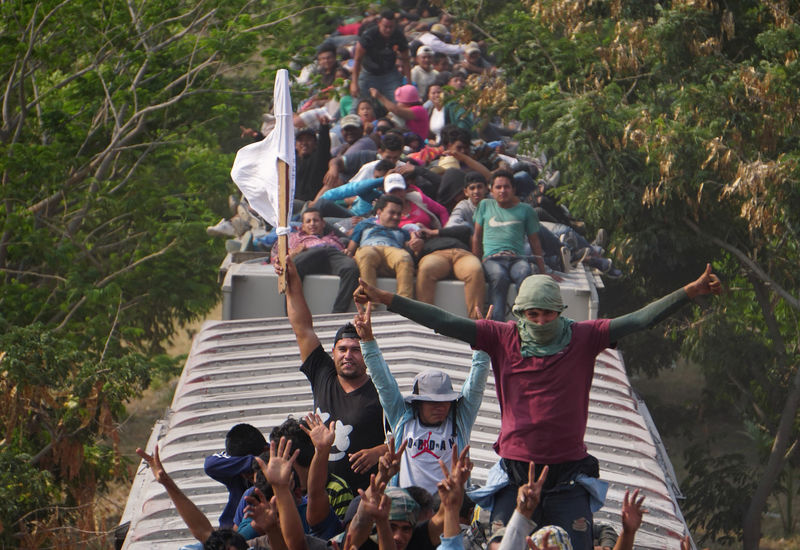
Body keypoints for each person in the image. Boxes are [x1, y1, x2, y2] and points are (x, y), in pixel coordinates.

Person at [353, 263, 722, 549]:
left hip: (568, 475)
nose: (541, 321)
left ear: (560, 312)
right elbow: (444, 321)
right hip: (515, 472)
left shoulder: (585, 336)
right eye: (532, 314)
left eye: (548, 313)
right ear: (519, 314)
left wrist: (688, 293)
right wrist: (388, 299)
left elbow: (640, 320)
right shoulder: (501, 337)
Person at [272, 257, 388, 492]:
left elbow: (408, 437)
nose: (348, 355)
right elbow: (302, 328)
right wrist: (293, 279)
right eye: (342, 349)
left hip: (363, 498)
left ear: (367, 355)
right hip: (320, 496)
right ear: (333, 353)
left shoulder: (383, 391)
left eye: (356, 350)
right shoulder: (323, 374)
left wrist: (379, 452)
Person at [353, 301, 490, 494]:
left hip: (446, 510)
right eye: (433, 402)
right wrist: (367, 341)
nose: (441, 407)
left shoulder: (460, 420)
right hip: (407, 511)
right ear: (418, 403)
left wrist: (482, 344)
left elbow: (476, 386)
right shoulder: (401, 416)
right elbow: (383, 383)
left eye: (445, 402)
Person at [473, 169, 550, 321]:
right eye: (498, 187)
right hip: (492, 259)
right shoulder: (485, 205)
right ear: (491, 189)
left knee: (524, 273)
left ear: (513, 189)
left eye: (507, 187)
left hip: (517, 258)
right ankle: (497, 328)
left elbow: (535, 241)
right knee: (499, 277)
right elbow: (476, 237)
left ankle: (527, 324)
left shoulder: (526, 210)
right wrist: (476, 263)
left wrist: (543, 270)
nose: (503, 190)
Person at [270, 208, 358, 313]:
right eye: (308, 221)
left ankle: (338, 312)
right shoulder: (294, 238)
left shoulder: (334, 239)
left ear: (323, 223)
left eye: (315, 220)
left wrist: (346, 253)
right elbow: (276, 257)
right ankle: (292, 313)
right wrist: (294, 253)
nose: (312, 224)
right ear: (302, 226)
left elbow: (342, 254)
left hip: (331, 254)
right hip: (307, 255)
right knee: (293, 266)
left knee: (351, 267)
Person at [346, 194, 415, 298]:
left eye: (399, 214)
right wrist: (348, 253)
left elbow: (412, 249)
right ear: (379, 212)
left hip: (393, 253)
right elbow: (351, 249)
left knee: (404, 257)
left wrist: (415, 245)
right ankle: (370, 303)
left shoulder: (403, 232)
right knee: (366, 254)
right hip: (369, 250)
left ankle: (404, 303)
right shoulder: (364, 225)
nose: (396, 217)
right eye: (392, 213)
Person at [203, 423, 268, 529]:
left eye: (253, 471)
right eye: (244, 470)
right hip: (231, 528)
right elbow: (209, 465)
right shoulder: (236, 470)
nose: (248, 476)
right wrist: (255, 461)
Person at [351, 10, 410, 100]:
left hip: (390, 73)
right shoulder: (369, 36)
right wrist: (354, 83)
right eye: (385, 27)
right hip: (368, 73)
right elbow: (357, 60)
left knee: (400, 101)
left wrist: (409, 82)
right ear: (379, 23)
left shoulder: (399, 36)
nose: (388, 30)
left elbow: (406, 59)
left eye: (391, 27)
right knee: (359, 103)